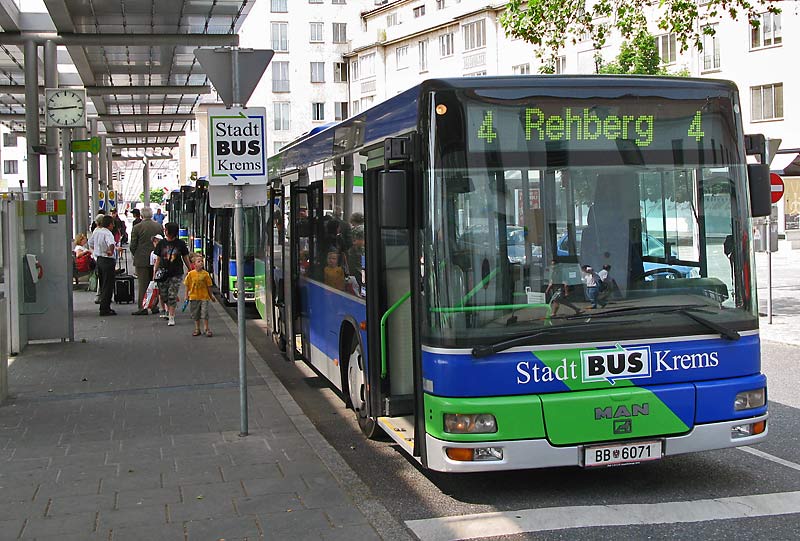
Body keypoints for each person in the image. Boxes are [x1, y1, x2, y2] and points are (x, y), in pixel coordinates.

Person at [152, 222, 192, 326]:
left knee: (172, 295)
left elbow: (185, 257)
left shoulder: (180, 244)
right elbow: (158, 259)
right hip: (163, 273)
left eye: (166, 229)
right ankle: (168, 308)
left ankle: (171, 316)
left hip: (176, 272)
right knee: (164, 294)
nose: (164, 231)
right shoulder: (161, 243)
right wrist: (154, 272)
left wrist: (190, 268)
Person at [129, 207, 164, 315]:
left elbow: (133, 245)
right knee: (155, 282)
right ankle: (154, 306)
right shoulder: (158, 226)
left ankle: (142, 307)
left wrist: (136, 254)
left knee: (143, 284)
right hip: (156, 258)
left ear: (142, 215)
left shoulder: (137, 227)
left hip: (142, 259)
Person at [87, 215, 118, 316]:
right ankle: (105, 308)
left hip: (99, 260)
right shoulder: (108, 233)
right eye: (112, 224)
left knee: (102, 283)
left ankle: (103, 306)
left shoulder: (97, 232)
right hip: (107, 260)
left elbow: (90, 243)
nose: (113, 226)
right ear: (109, 224)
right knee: (108, 285)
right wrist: (110, 251)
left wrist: (96, 250)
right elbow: (111, 244)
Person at [184, 254, 215, 337]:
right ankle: (197, 329)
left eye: (202, 261)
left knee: (204, 313)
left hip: (204, 297)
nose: (201, 263)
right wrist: (186, 295)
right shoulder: (190, 274)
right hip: (194, 297)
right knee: (196, 314)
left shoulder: (206, 274)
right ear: (194, 264)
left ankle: (206, 328)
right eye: (199, 261)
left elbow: (209, 286)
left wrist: (211, 296)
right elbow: (187, 285)